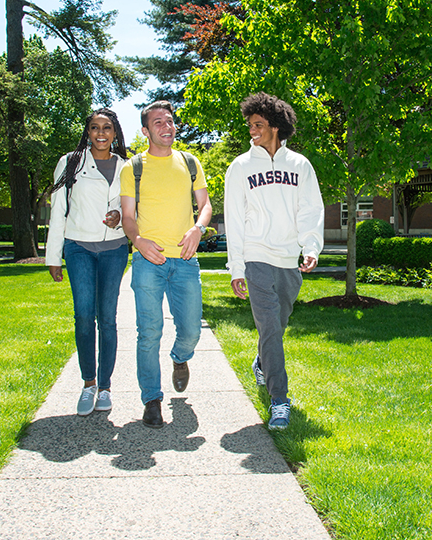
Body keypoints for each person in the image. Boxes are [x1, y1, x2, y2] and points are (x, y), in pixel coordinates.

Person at [224, 92, 324, 431]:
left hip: (287, 258)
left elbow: (310, 210)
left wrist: (310, 247)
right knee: (269, 327)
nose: (252, 130)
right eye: (250, 124)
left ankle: (261, 361)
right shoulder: (240, 167)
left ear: (276, 126)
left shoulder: (300, 166)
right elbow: (235, 219)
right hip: (255, 257)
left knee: (276, 328)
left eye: (258, 125)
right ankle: (279, 400)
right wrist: (237, 267)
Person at [119, 101, 212, 428]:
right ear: (146, 131)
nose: (167, 127)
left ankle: (180, 358)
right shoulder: (133, 168)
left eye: (170, 121)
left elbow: (205, 205)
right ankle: (152, 399)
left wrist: (198, 229)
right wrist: (138, 241)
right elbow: (128, 217)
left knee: (190, 330)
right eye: (158, 122)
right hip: (147, 262)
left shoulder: (189, 162)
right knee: (149, 332)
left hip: (185, 261)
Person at [45, 108, 129, 416]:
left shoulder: (126, 167)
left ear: (115, 132)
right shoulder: (70, 163)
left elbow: (130, 207)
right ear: (88, 132)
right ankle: (88, 384)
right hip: (78, 247)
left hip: (114, 249)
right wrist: (53, 256)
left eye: (107, 128)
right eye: (95, 127)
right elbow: (58, 212)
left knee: (107, 318)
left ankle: (105, 387)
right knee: (84, 316)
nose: (101, 133)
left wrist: (119, 216)